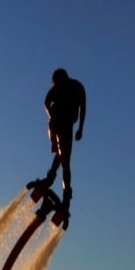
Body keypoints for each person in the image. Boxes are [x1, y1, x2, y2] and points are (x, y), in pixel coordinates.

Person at [42, 68, 86, 209]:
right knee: (62, 155)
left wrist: (80, 128)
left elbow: (83, 107)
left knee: (64, 158)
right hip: (58, 124)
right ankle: (52, 180)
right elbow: (46, 102)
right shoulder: (57, 90)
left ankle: (65, 194)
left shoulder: (76, 87)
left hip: (67, 125)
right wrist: (52, 116)